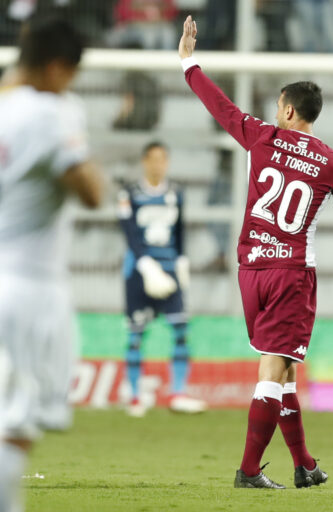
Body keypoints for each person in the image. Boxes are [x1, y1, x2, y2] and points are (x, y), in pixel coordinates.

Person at [178, 16, 333, 489]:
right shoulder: (332, 163)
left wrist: (188, 62)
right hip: (291, 273)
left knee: (282, 368)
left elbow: (220, 106)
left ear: (287, 110)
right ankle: (247, 471)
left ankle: (304, 464)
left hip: (249, 270)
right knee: (274, 369)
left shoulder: (260, 136)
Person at [0, 18, 104, 512]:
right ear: (57, 67)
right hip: (28, 290)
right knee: (9, 436)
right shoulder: (51, 112)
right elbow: (90, 193)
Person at [118, 141, 207, 416]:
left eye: (162, 159)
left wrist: (181, 261)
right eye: (153, 159)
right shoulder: (129, 194)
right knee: (136, 333)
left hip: (169, 268)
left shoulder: (176, 193)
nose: (158, 164)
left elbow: (180, 230)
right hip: (139, 270)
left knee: (181, 330)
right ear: (145, 161)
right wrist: (144, 264)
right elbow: (129, 232)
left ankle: (178, 392)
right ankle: (135, 397)